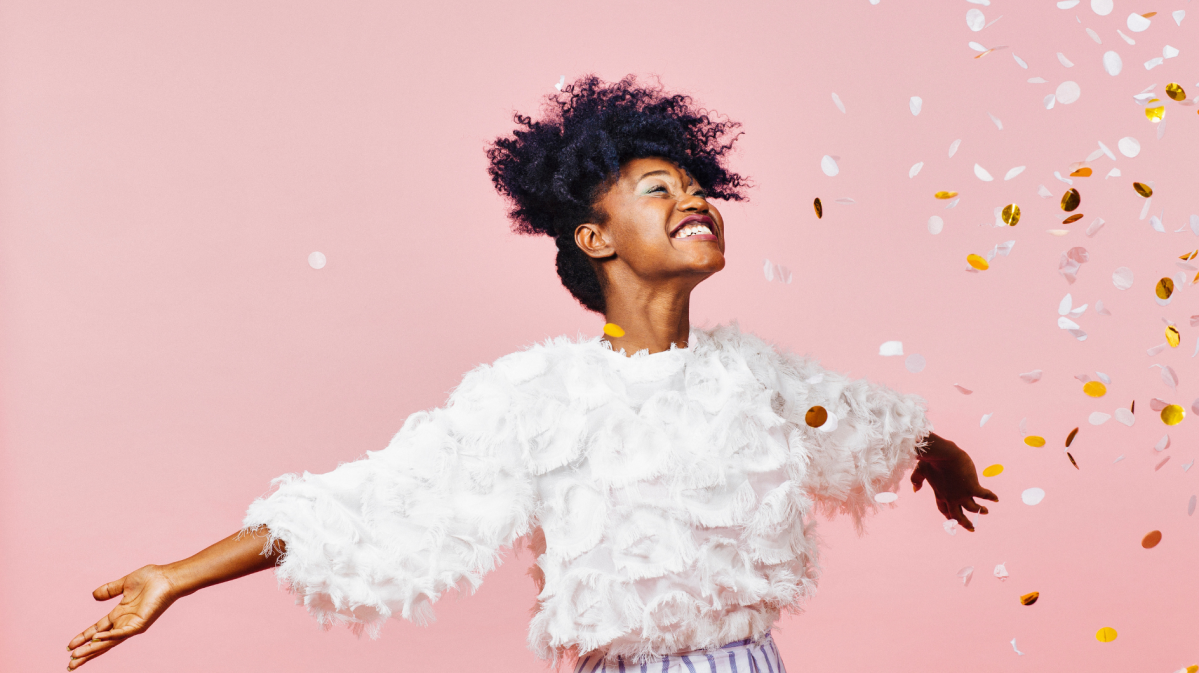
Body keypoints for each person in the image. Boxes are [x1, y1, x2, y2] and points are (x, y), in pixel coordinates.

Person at [67, 75, 998, 672]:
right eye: (659, 189)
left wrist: (937, 452)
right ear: (595, 239)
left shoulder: (757, 375)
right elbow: (378, 499)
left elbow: (857, 421)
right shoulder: (541, 397)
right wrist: (178, 575)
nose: (694, 198)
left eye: (696, 187)